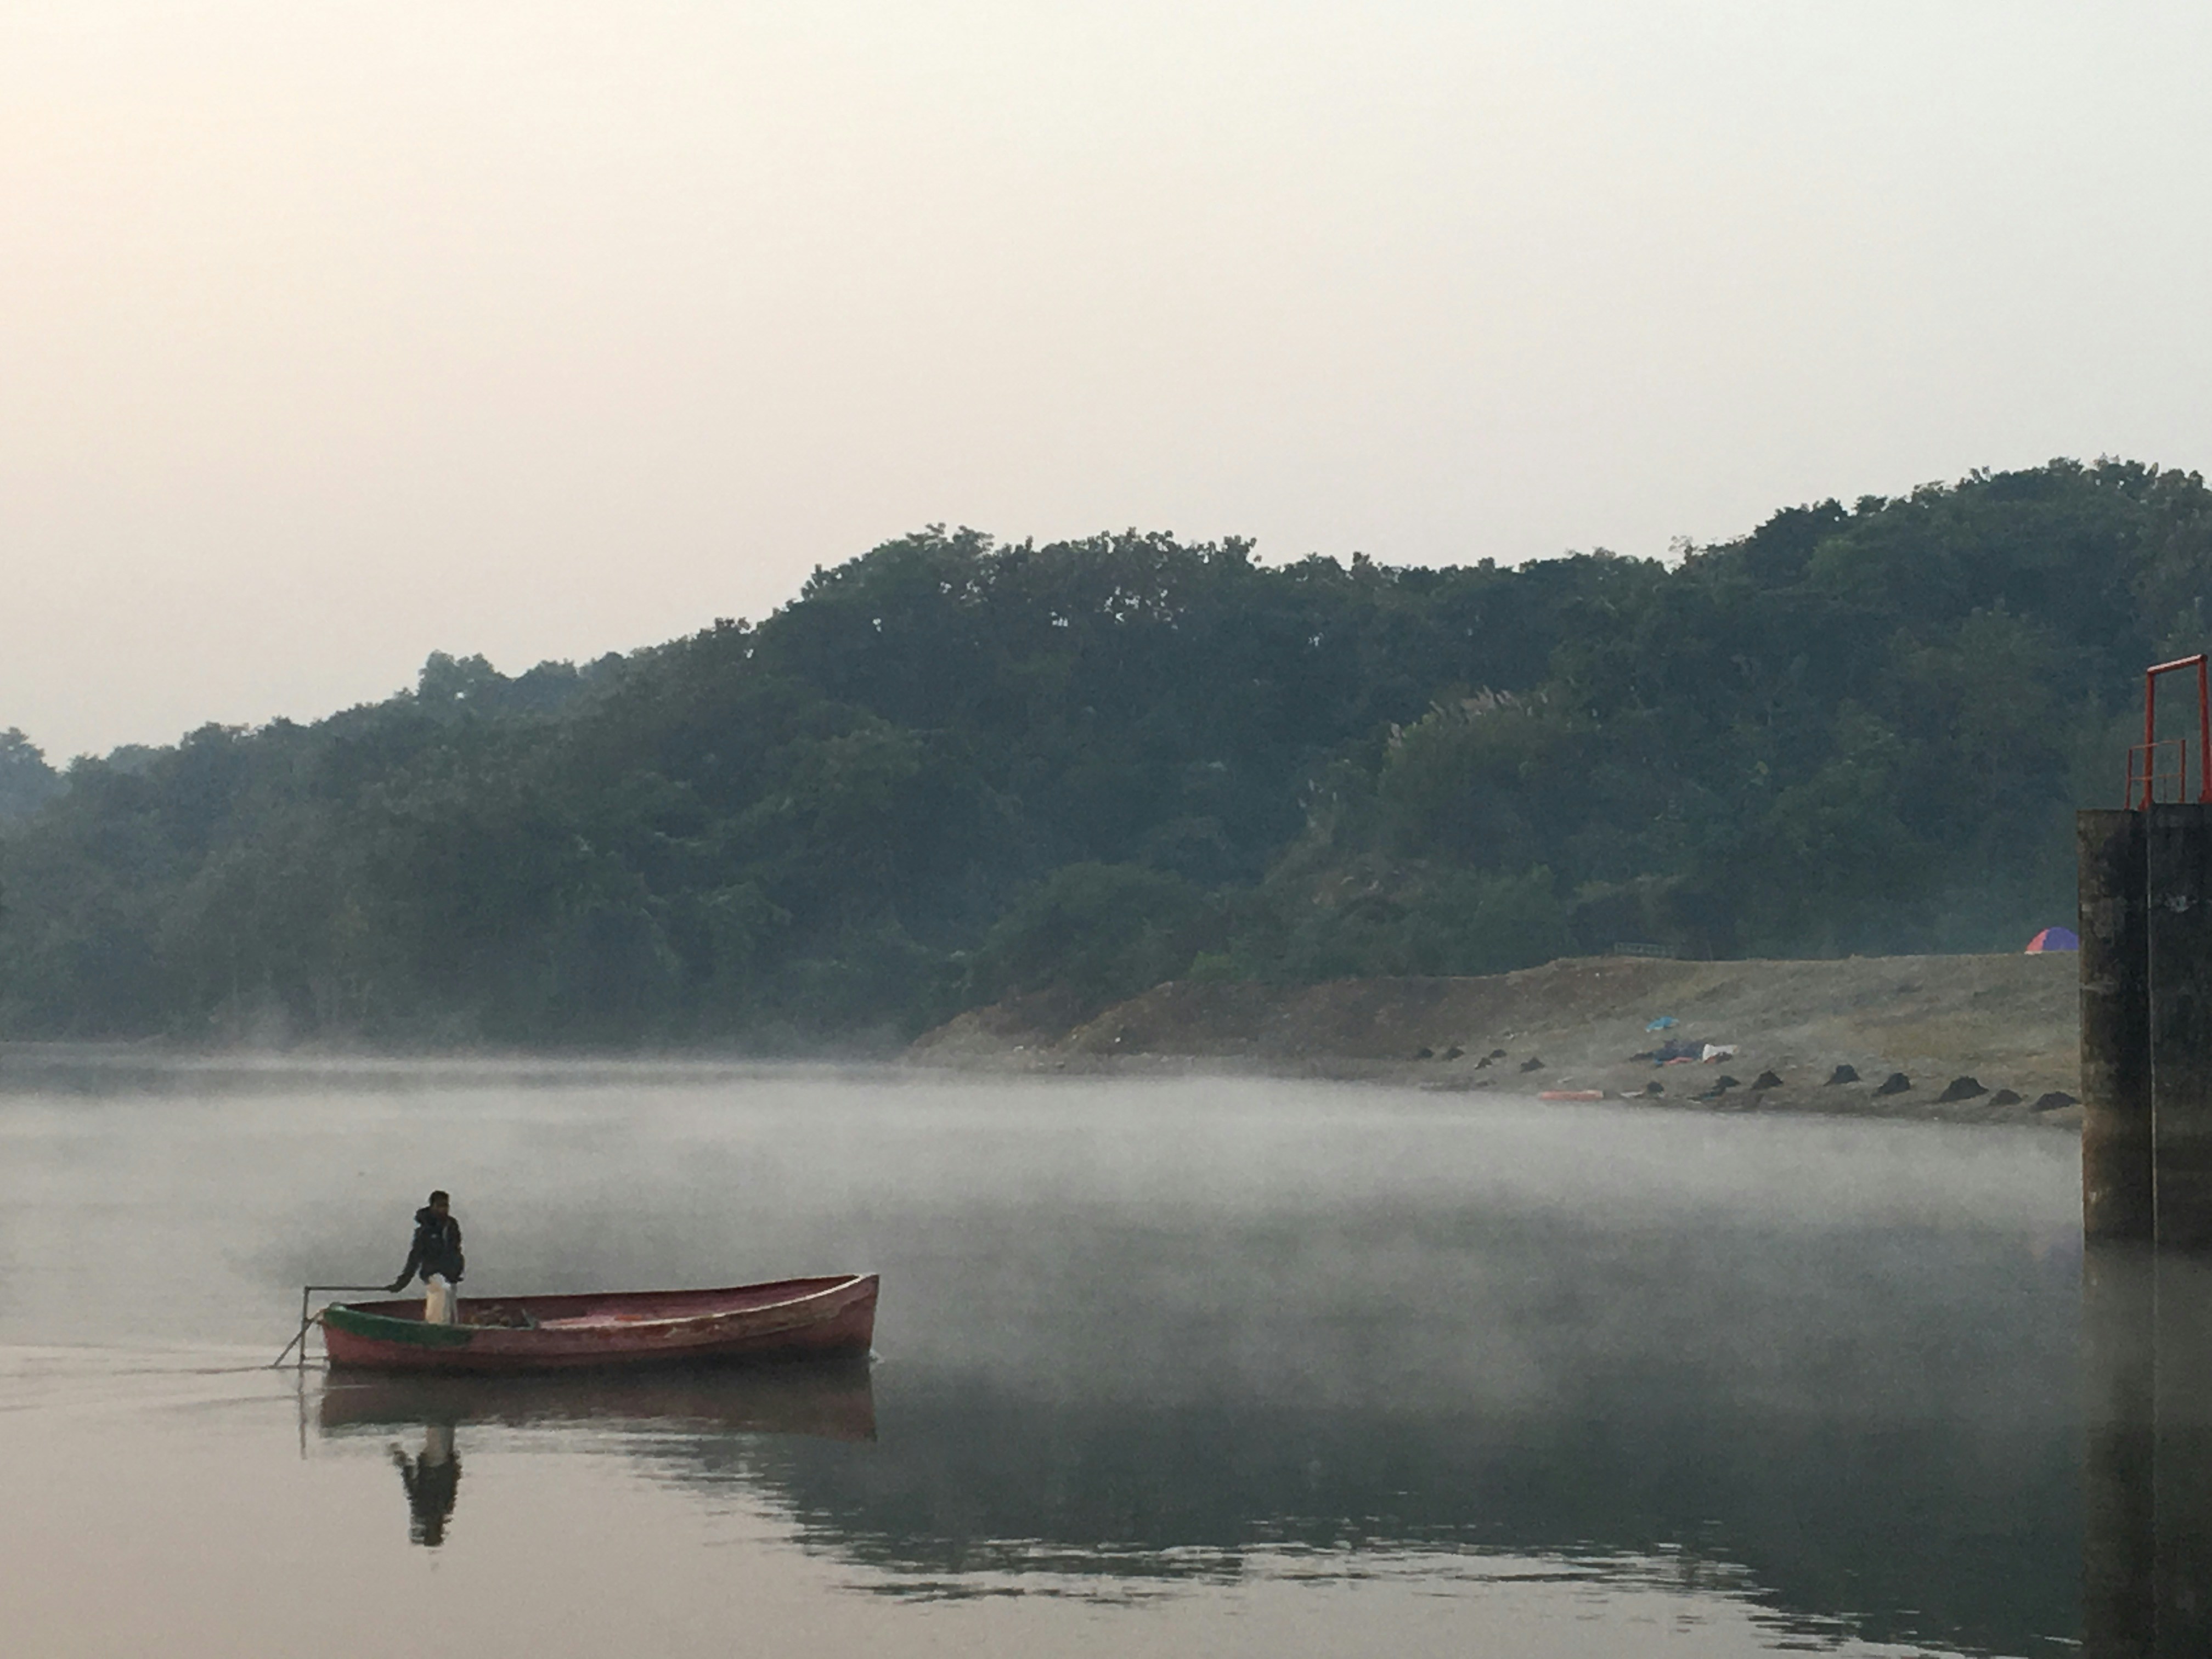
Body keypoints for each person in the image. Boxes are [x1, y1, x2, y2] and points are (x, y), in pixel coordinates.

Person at [387, 1190, 465, 1323]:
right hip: (432, 1272)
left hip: (450, 1273)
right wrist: (403, 1282)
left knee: (450, 1303)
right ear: (432, 1206)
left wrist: (457, 1268)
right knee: (440, 1292)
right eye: (440, 1206)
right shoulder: (425, 1231)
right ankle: (435, 1328)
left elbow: (455, 1249)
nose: (443, 1210)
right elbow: (415, 1257)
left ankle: (451, 1328)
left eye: (446, 1206)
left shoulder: (451, 1226)